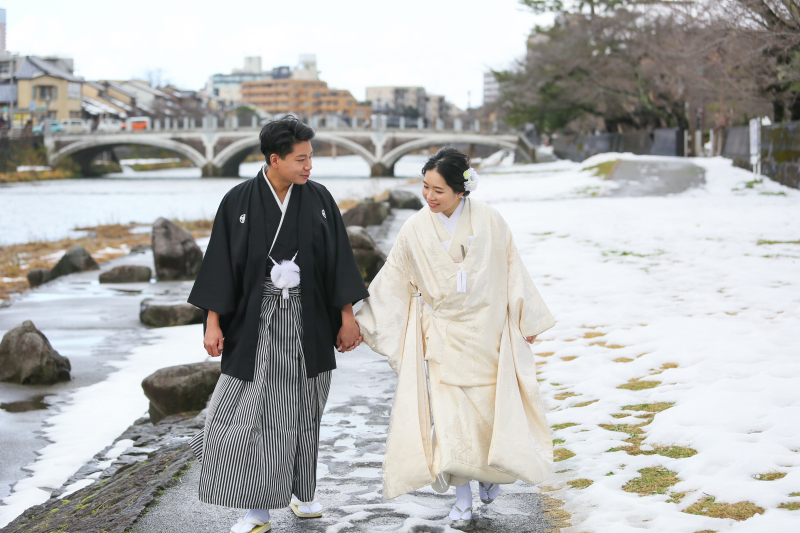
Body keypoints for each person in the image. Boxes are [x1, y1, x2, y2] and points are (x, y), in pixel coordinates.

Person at [356, 147, 555, 527]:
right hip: (444, 339)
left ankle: (490, 473)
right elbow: (394, 280)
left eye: (438, 190)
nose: (429, 197)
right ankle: (461, 500)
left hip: (488, 335)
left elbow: (513, 270)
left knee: (487, 417)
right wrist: (359, 321)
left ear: (461, 190)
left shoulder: (491, 221)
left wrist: (526, 321)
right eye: (425, 188)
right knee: (451, 426)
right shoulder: (415, 228)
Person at [187, 116, 368, 533]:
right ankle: (256, 509)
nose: (309, 167)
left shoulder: (319, 198)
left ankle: (303, 492)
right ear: (274, 159)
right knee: (248, 411)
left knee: (306, 407)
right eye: (301, 159)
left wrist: (347, 318)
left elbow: (339, 260)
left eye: (310, 157)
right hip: (255, 323)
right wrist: (212, 323)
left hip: (309, 321)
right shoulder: (238, 201)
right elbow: (220, 265)